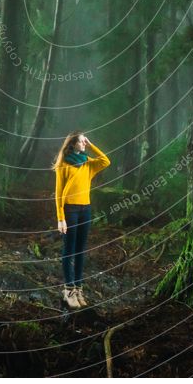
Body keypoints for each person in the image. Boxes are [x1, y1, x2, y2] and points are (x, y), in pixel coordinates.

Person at [53, 131, 110, 309]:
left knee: (80, 251)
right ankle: (68, 290)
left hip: (86, 209)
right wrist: (60, 219)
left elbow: (106, 161)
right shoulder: (63, 164)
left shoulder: (87, 163)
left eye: (85, 141)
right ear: (72, 144)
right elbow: (58, 193)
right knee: (69, 249)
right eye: (81, 141)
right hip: (70, 210)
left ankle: (78, 289)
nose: (84, 143)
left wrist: (91, 144)